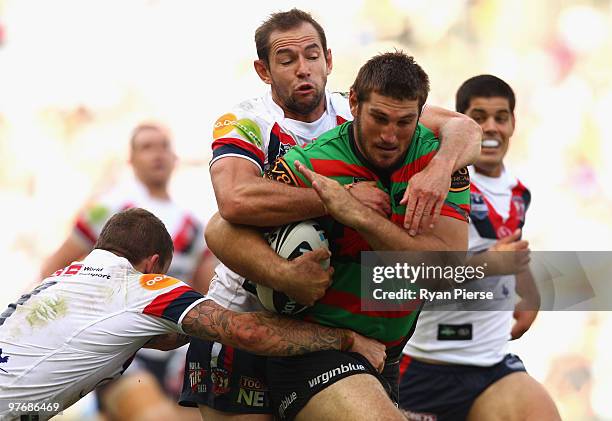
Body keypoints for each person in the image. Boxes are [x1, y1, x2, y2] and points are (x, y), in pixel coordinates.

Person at [180, 9, 481, 420]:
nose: (303, 69)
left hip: (331, 329)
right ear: (263, 71)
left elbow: (464, 128)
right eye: (287, 60)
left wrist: (440, 168)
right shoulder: (247, 122)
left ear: (329, 60)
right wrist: (335, 202)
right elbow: (232, 202)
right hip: (246, 313)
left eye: (312, 55)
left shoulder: (362, 110)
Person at [0, 208, 384, 421]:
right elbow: (248, 334)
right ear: (153, 265)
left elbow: (159, 336)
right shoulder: (142, 288)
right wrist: (346, 339)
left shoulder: (65, 279)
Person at [399, 75, 561, 421]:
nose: (491, 127)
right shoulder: (438, 185)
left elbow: (508, 251)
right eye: (479, 117)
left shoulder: (519, 192)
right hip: (427, 363)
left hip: (492, 362)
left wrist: (530, 296)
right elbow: (415, 275)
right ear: (462, 124)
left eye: (500, 117)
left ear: (513, 124)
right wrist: (491, 265)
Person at [39, 122, 216, 408]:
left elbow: (207, 293)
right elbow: (53, 269)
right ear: (131, 159)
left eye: (164, 146)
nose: (157, 154)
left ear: (175, 158)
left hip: (174, 350)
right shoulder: (106, 209)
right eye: (147, 147)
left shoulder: (196, 226)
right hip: (121, 348)